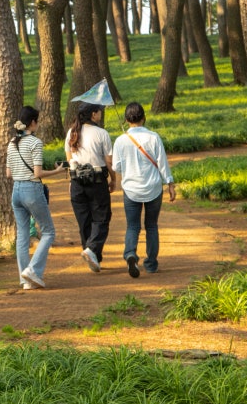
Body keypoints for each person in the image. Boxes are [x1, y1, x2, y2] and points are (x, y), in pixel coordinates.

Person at [5, 106, 68, 289]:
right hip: (31, 190)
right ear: (32, 122)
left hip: (16, 191)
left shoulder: (12, 142)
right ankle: (33, 270)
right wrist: (57, 171)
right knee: (48, 231)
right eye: (37, 121)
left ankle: (25, 280)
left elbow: (8, 173)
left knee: (22, 235)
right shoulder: (35, 142)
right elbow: (37, 173)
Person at [111, 102, 176, 277]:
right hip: (153, 188)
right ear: (143, 118)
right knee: (152, 226)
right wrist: (170, 183)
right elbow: (162, 163)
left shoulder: (120, 140)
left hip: (131, 189)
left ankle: (130, 253)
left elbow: (116, 166)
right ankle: (151, 264)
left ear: (126, 119)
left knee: (132, 226)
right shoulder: (153, 137)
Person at [64, 103, 116, 272]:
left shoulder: (72, 133)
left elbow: (70, 158)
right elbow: (108, 161)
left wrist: (71, 181)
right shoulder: (101, 133)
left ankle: (94, 258)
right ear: (93, 114)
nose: (101, 114)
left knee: (84, 221)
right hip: (97, 180)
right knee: (102, 217)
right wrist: (113, 178)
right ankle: (92, 249)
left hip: (77, 181)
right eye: (99, 111)